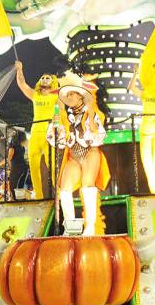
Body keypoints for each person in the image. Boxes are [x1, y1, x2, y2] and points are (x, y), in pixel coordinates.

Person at [46, 72, 109, 236]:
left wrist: (90, 116)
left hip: (90, 152)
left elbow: (97, 136)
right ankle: (70, 227)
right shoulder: (64, 117)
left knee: (88, 185)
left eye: (72, 93)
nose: (68, 97)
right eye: (66, 94)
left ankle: (90, 227)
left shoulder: (92, 112)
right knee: (65, 189)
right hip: (74, 155)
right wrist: (56, 127)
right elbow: (57, 141)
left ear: (81, 96)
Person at [14, 61, 58, 200]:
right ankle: (39, 196)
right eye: (42, 77)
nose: (44, 79)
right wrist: (19, 69)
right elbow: (22, 84)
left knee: (53, 165)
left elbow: (61, 111)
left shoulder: (57, 96)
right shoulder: (35, 95)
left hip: (49, 133)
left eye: (48, 77)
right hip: (35, 133)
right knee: (33, 165)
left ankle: (59, 195)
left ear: (53, 81)